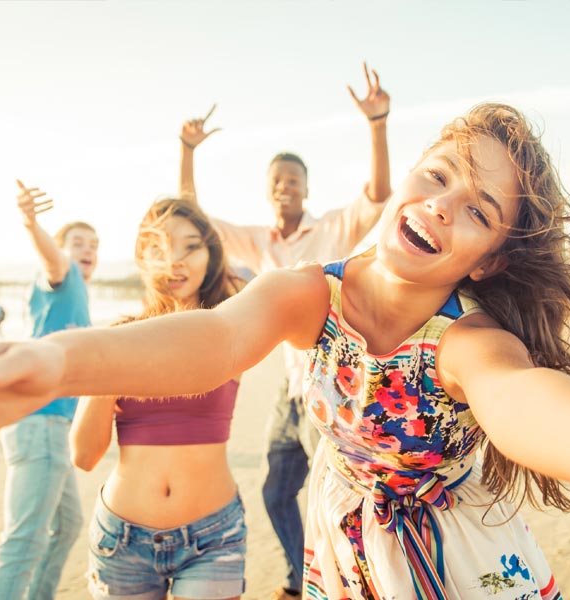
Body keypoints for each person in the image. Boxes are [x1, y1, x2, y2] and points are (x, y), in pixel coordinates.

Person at [0, 103, 570, 600]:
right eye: (439, 176)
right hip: (346, 547)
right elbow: (212, 342)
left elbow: (533, 410)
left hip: (458, 564)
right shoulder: (312, 292)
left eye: (480, 212)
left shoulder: (470, 340)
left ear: (487, 258)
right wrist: (48, 366)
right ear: (405, 177)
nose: (445, 205)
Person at [178, 62, 391, 599]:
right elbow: (196, 218)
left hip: (335, 384)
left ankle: (351, 582)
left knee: (341, 492)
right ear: (269, 190)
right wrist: (188, 152)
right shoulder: (260, 242)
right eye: (276, 181)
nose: (284, 188)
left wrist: (377, 124)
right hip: (289, 389)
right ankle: (304, 579)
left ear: (305, 188)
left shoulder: (332, 228)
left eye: (292, 180)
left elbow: (377, 194)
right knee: (277, 491)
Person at [70, 199, 247, 600]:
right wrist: (110, 363)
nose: (176, 261)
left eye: (190, 246)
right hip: (122, 539)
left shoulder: (232, 327)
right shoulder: (118, 336)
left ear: (210, 255)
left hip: (213, 536)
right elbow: (83, 456)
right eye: (159, 248)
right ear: (141, 258)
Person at [0, 180, 99, 600]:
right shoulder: (63, 278)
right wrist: (32, 224)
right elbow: (52, 260)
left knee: (66, 526)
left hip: (54, 428)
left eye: (95, 245)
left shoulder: (77, 295)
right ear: (63, 249)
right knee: (22, 541)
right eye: (79, 242)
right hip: (39, 422)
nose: (88, 249)